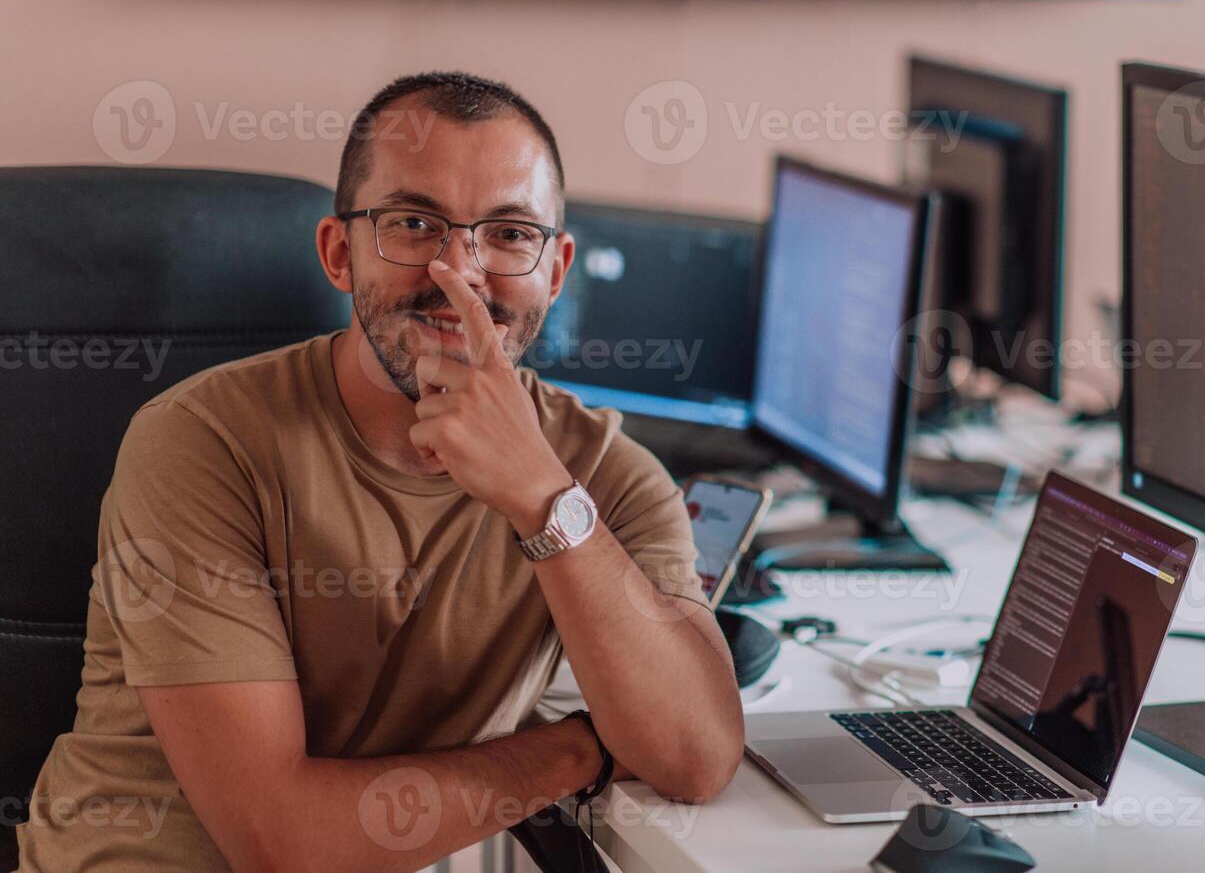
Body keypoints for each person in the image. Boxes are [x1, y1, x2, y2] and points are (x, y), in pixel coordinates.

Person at [17, 71, 744, 872]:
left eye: (507, 233)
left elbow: (696, 758)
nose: (461, 272)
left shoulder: (604, 476)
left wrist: (543, 500)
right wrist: (575, 753)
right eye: (414, 223)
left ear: (557, 270)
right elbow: (280, 842)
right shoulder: (199, 442)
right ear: (339, 252)